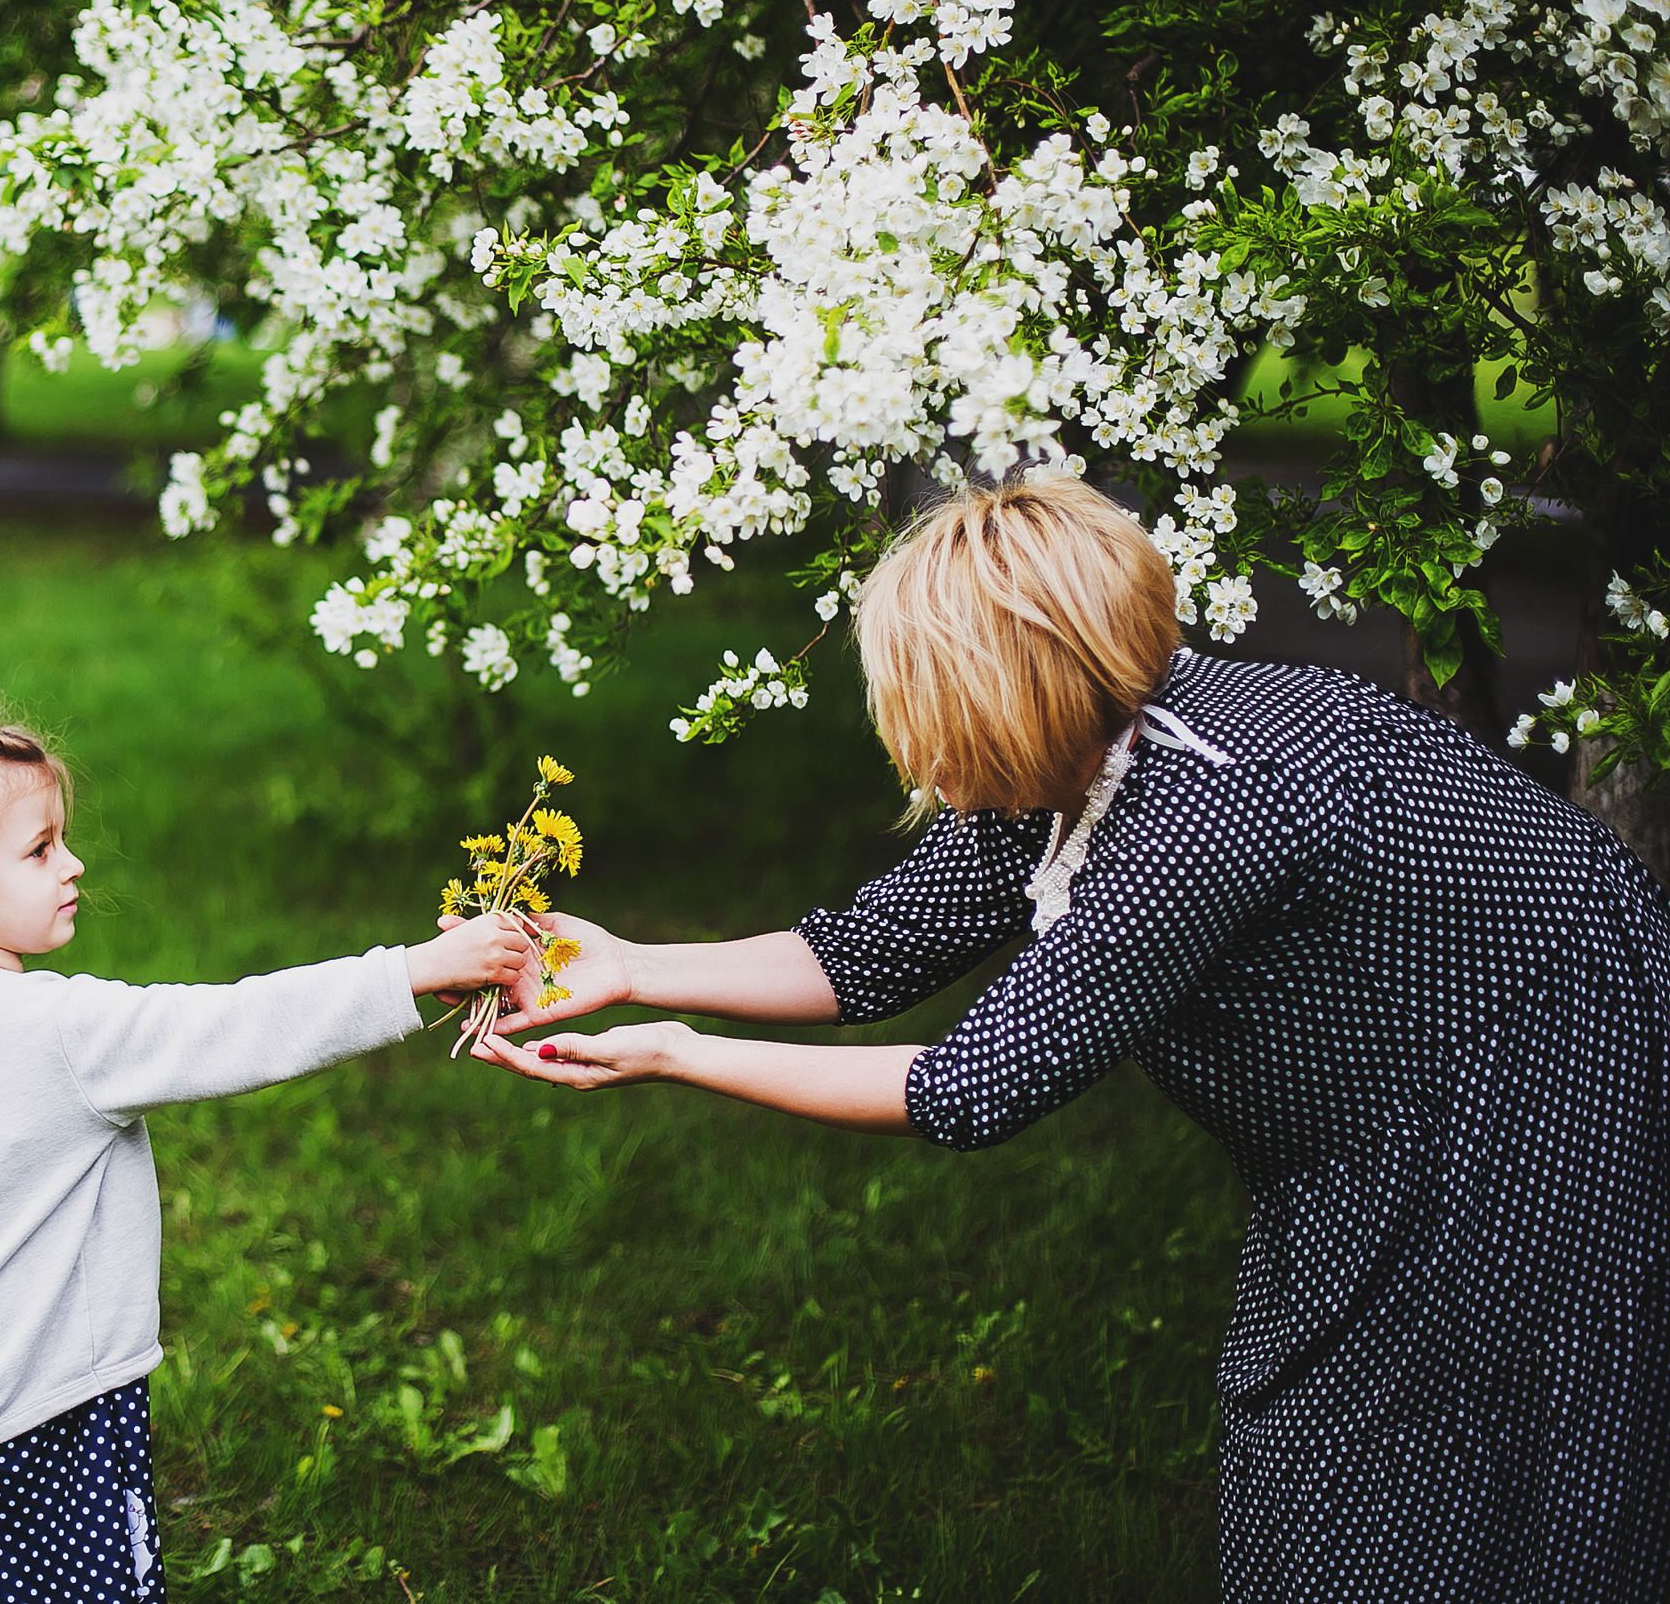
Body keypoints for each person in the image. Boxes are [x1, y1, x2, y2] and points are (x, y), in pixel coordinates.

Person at [468, 475, 1669, 1600]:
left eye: (919, 700)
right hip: (1386, 1108)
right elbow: (872, 949)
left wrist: (679, 1050)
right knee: (1346, 1451)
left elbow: (975, 1085)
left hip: (1541, 1089)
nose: (904, 740)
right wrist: (630, 967)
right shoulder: (1071, 753)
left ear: (1014, 693)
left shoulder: (1207, 805)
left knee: (1423, 1449)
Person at [0, 713, 531, 1602]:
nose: (72, 865)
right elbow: (234, 1026)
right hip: (53, 1403)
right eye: (39, 851)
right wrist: (413, 971)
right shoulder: (52, 1031)